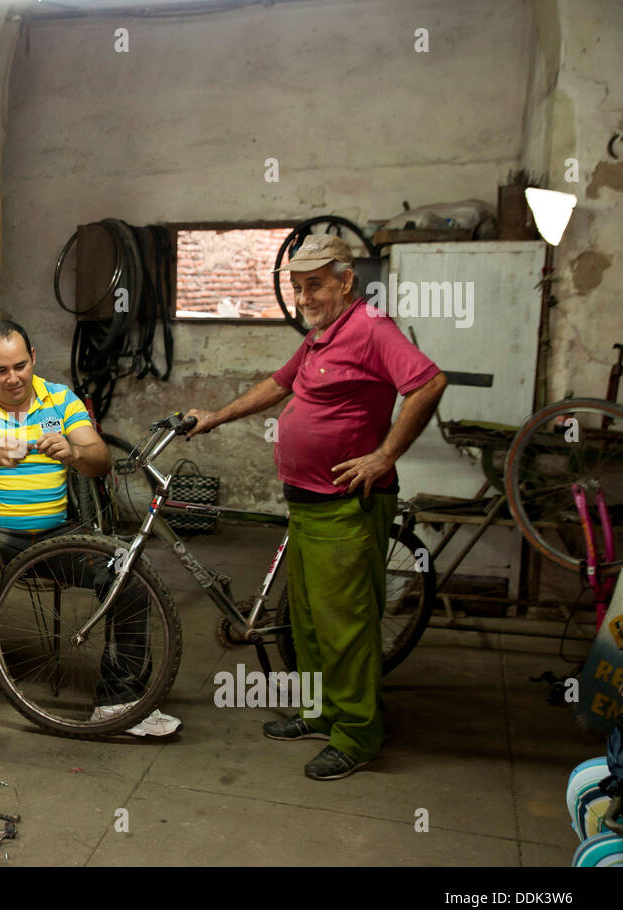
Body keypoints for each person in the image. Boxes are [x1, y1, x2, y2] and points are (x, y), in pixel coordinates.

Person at [186, 234, 446, 780]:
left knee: (345, 626)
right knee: (305, 622)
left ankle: (357, 735)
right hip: (305, 505)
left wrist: (384, 455)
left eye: (316, 285)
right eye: (299, 287)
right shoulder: (322, 335)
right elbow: (280, 384)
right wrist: (216, 415)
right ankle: (323, 713)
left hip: (347, 507)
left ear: (346, 281)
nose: (304, 298)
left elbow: (427, 383)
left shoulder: (372, 328)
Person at [0, 319, 182, 758]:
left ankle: (120, 700)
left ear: (34, 358)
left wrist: (74, 452)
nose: (13, 378)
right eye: (0, 370)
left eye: (20, 366)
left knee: (128, 571)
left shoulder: (60, 399)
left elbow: (101, 460)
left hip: (57, 536)